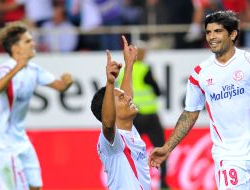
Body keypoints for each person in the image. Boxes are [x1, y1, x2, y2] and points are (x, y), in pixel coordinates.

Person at [149, 10, 250, 190]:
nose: (211, 37)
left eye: (218, 31)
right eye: (208, 32)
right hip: (229, 158)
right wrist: (167, 148)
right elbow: (190, 113)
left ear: (233, 34)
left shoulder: (248, 61)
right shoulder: (200, 73)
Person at [0, 21, 73, 190]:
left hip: (21, 138)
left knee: (35, 186)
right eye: (28, 41)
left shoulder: (33, 70)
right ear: (16, 48)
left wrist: (67, 82)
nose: (33, 44)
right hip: (2, 142)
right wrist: (17, 68)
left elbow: (59, 86)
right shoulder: (4, 70)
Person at [91, 36, 151, 189]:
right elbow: (108, 122)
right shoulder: (112, 140)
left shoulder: (130, 130)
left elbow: (126, 95)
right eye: (121, 98)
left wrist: (129, 65)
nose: (128, 98)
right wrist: (110, 83)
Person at [117, 40, 167, 188]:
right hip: (149, 115)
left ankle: (130, 181)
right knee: (161, 149)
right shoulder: (145, 68)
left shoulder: (124, 71)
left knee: (130, 151)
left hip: (132, 117)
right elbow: (158, 91)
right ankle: (163, 182)